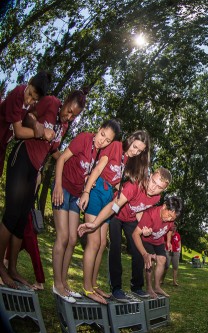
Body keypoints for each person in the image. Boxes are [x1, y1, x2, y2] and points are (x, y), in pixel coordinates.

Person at [0, 88, 87, 290]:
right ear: (65, 102)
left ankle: (12, 268)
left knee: (22, 219)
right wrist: (38, 126)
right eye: (69, 111)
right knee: (12, 214)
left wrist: (69, 164)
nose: (69, 116)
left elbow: (54, 150)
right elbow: (26, 116)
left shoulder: (64, 126)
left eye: (74, 115)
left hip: (34, 169)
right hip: (22, 157)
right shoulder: (50, 102)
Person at [78, 167, 171, 302]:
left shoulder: (156, 197)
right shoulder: (134, 186)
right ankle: (116, 288)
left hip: (131, 219)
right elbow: (115, 205)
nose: (153, 188)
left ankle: (137, 286)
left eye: (159, 187)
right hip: (116, 215)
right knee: (115, 247)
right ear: (149, 176)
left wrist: (144, 227)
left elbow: (140, 209)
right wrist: (96, 222)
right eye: (153, 182)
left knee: (139, 248)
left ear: (163, 190)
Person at [78, 130, 150, 304]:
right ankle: (87, 288)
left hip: (108, 196)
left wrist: (128, 195)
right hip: (96, 192)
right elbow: (100, 168)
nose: (135, 152)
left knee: (102, 244)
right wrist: (86, 191)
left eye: (139, 151)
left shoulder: (128, 161)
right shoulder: (116, 146)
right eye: (134, 147)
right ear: (130, 140)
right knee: (93, 243)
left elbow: (116, 182)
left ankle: (94, 285)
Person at [52, 118, 119, 303]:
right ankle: (57, 284)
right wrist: (57, 185)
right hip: (63, 188)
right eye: (102, 135)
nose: (102, 141)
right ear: (99, 130)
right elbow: (62, 159)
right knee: (63, 236)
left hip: (76, 195)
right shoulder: (84, 138)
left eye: (107, 140)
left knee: (73, 239)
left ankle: (64, 284)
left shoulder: (99, 154)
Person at [0, 71, 52, 176]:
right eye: (29, 94)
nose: (29, 100)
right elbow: (18, 132)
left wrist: (35, 123)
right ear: (30, 82)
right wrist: (41, 133)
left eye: (34, 99)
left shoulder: (31, 106)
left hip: (3, 144)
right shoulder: (18, 93)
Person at [133, 196, 182, 298]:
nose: (169, 219)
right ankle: (149, 288)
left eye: (172, 218)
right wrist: (145, 254)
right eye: (168, 215)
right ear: (164, 206)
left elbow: (169, 229)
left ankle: (157, 287)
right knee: (150, 261)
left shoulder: (171, 219)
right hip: (147, 240)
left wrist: (168, 241)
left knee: (162, 259)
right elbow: (135, 234)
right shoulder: (150, 214)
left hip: (158, 240)